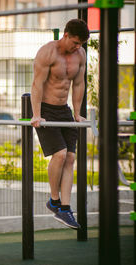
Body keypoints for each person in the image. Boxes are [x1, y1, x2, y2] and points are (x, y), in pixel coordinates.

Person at [30, 19, 89, 230]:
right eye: (74, 42)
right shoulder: (48, 52)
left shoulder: (80, 54)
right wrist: (36, 114)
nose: (77, 47)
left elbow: (79, 83)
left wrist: (77, 113)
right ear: (65, 35)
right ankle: (54, 200)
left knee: (71, 157)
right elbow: (37, 84)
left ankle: (64, 208)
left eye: (80, 43)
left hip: (64, 110)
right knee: (61, 154)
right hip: (45, 109)